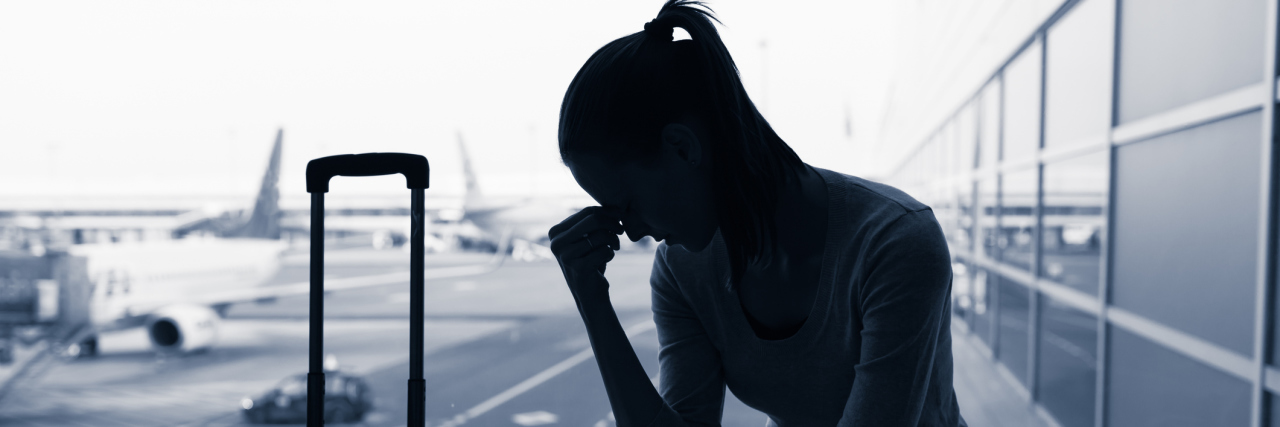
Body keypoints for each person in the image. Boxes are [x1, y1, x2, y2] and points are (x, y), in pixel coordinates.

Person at [548, 1, 967, 426]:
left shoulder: (895, 242)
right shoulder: (682, 268)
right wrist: (591, 299)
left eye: (628, 205)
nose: (632, 230)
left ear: (683, 148)